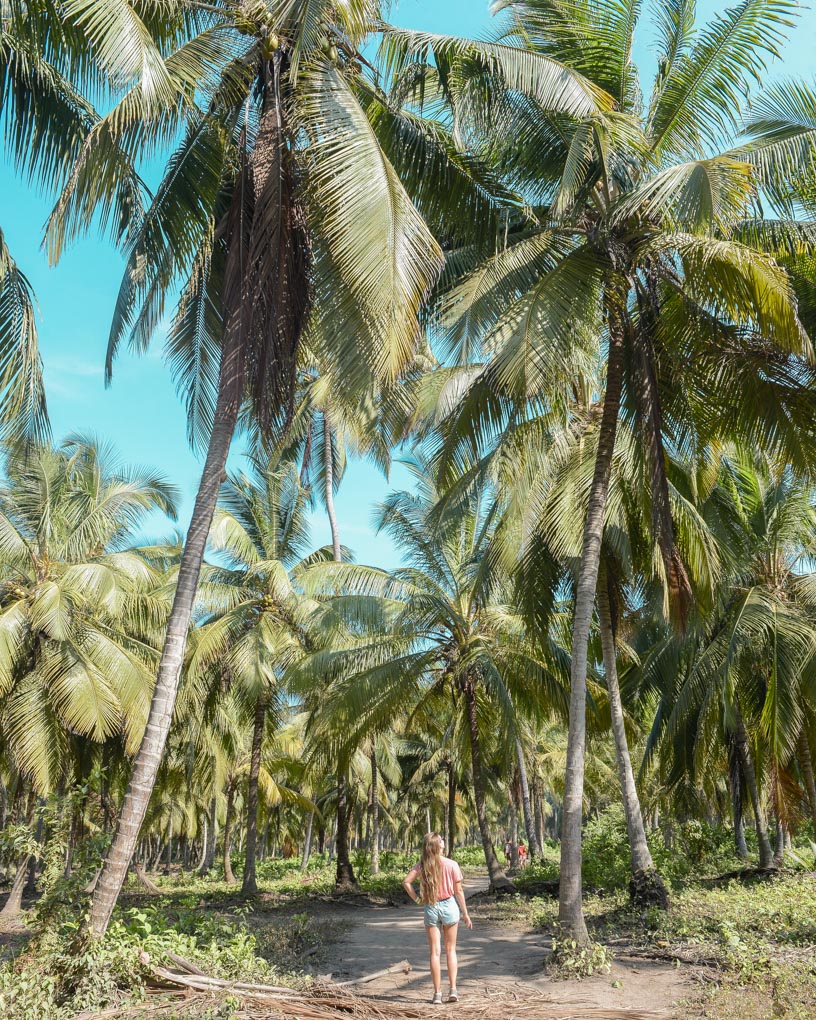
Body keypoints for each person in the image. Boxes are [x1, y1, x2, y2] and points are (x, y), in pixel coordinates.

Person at [402, 832, 472, 1005]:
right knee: (451, 950)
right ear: (437, 845)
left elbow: (406, 882)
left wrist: (418, 899)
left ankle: (437, 994)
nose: (444, 842)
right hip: (449, 906)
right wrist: (465, 913)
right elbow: (459, 891)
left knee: (434, 952)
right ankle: (453, 990)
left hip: (431, 907)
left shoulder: (423, 865)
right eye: (442, 840)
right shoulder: (452, 864)